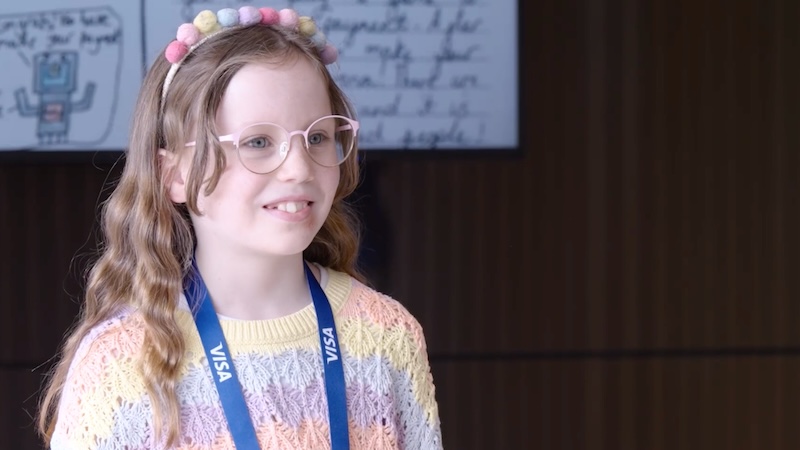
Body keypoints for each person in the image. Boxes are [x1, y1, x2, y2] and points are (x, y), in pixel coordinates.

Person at [38, 6, 443, 449]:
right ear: (173, 174)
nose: (297, 168)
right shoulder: (119, 365)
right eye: (257, 142)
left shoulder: (388, 337)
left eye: (317, 136)